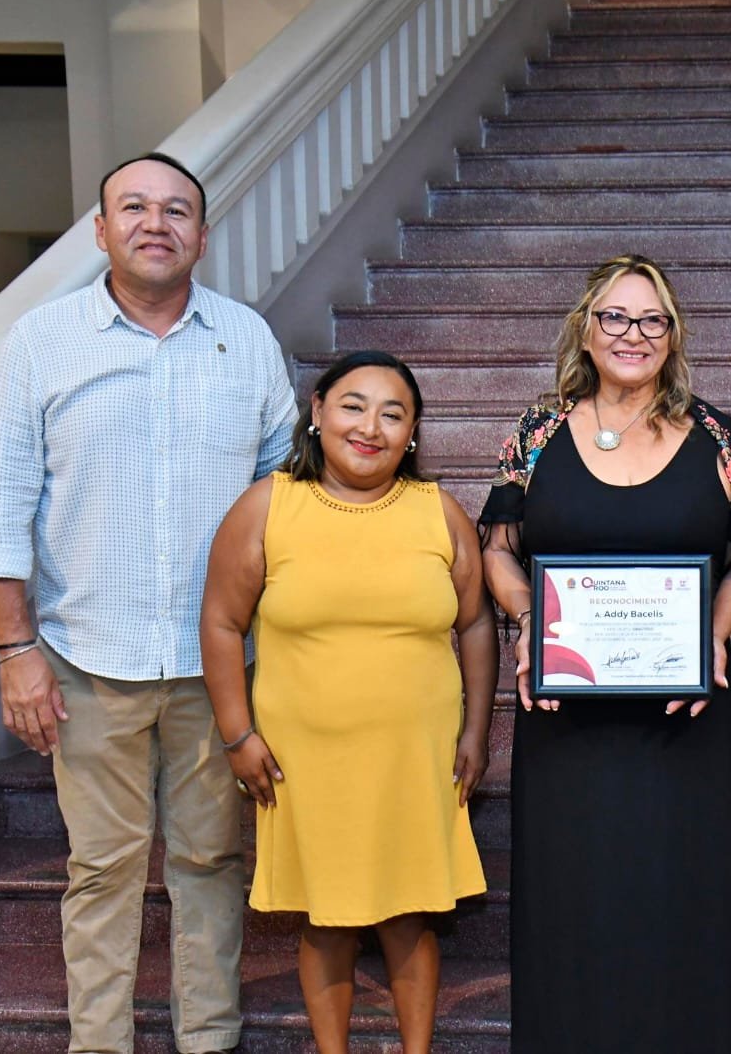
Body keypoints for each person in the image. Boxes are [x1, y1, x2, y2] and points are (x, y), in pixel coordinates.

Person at [0, 152, 297, 1054]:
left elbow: (284, 499)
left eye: (178, 209)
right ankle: (100, 1042)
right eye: (135, 208)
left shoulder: (247, 341)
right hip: (85, 661)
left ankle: (210, 1038)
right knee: (102, 868)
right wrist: (14, 652)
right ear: (100, 230)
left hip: (216, 666)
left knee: (211, 862)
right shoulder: (42, 343)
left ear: (201, 231)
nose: (158, 223)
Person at [479, 254, 731, 1053]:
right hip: (568, 725)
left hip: (683, 724)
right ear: (585, 328)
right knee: (575, 906)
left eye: (651, 320)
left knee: (682, 902)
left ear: (673, 335)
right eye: (614, 317)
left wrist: (713, 631)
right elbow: (498, 551)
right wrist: (533, 615)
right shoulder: (536, 433)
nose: (632, 334)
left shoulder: (715, 436)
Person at [200, 349, 495, 1054]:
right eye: (354, 406)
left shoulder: (440, 512)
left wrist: (477, 732)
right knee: (326, 919)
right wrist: (239, 735)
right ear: (318, 413)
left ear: (414, 432)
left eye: (394, 414)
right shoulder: (268, 507)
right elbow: (219, 622)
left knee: (409, 917)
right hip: (307, 762)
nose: (371, 427)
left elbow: (476, 622)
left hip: (412, 758)